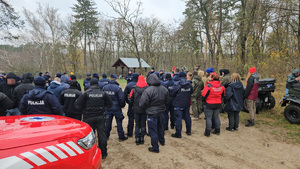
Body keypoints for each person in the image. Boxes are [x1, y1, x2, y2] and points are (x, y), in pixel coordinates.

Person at [75, 78, 113, 159]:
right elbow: (110, 104)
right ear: (98, 84)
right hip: (100, 117)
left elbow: (77, 105)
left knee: (89, 136)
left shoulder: (86, 93)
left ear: (90, 84)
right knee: (102, 135)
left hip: (88, 117)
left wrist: (83, 110)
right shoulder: (103, 93)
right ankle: (103, 153)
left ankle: (90, 153)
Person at [140, 74, 169, 153]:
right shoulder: (164, 89)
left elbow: (143, 103)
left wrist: (145, 108)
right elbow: (167, 100)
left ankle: (155, 147)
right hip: (161, 111)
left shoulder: (148, 90)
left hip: (152, 113)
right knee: (160, 127)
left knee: (153, 130)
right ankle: (162, 141)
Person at [102, 74, 128, 141]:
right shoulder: (117, 88)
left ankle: (106, 135)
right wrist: (122, 105)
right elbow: (121, 98)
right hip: (116, 108)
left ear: (110, 79)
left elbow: (102, 98)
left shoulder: (105, 88)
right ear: (116, 79)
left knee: (108, 122)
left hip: (108, 107)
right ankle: (121, 136)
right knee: (119, 122)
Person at [170, 71, 193, 138]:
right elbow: (191, 91)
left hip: (178, 104)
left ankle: (178, 133)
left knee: (178, 118)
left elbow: (172, 93)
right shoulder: (189, 84)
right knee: (187, 117)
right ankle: (189, 131)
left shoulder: (177, 84)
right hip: (186, 103)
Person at [128, 75, 148, 145]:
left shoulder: (133, 89)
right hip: (144, 109)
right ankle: (142, 138)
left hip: (136, 109)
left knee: (137, 124)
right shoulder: (147, 88)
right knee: (143, 124)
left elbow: (130, 99)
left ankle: (137, 138)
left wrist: (132, 103)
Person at [123, 73, 139, 137]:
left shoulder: (129, 85)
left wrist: (128, 102)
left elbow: (124, 95)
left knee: (131, 119)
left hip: (131, 104)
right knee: (139, 119)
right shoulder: (141, 85)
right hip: (139, 104)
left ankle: (130, 132)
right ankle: (140, 132)